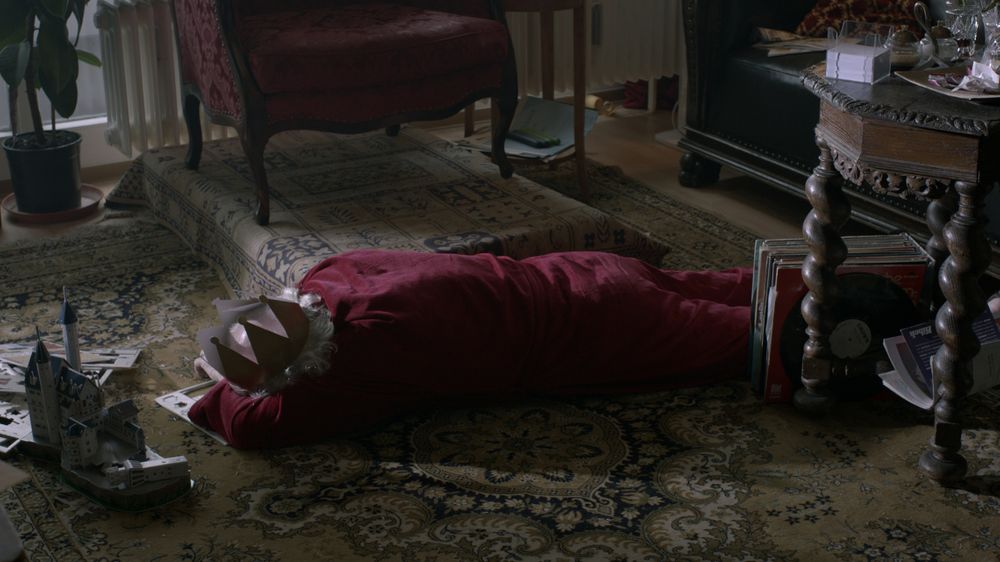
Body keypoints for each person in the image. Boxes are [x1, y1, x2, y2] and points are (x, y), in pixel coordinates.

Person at [188, 250, 752, 448]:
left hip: (600, 329)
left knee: (768, 338)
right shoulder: (327, 274)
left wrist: (227, 383)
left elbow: (249, 428)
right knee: (745, 283)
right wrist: (238, 355)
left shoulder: (354, 364)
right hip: (586, 270)